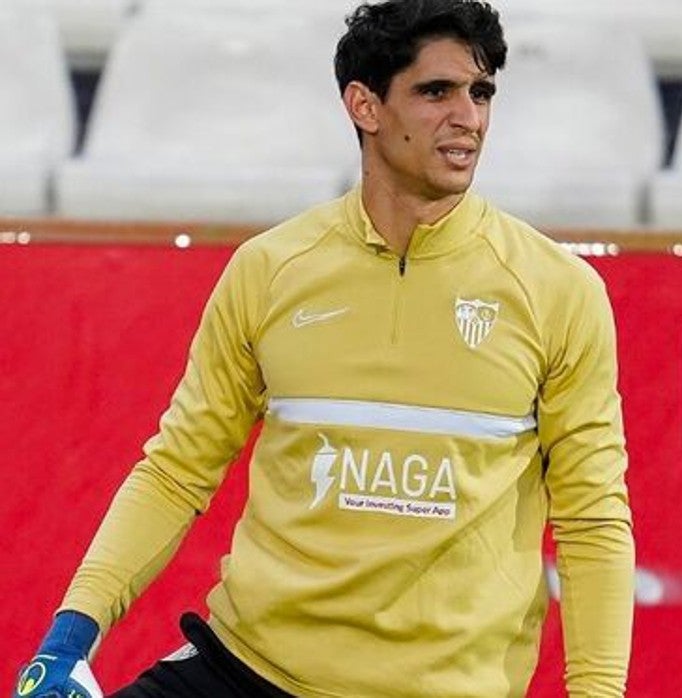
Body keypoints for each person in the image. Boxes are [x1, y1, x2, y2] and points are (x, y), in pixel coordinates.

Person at [12, 1, 635, 696]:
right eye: (437, 92)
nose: (470, 118)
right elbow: (176, 472)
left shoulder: (559, 290)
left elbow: (593, 521)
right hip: (247, 669)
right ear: (364, 105)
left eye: (481, 92)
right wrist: (69, 639)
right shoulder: (270, 268)